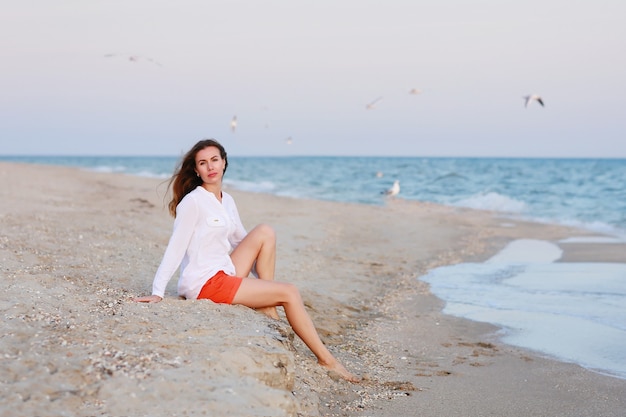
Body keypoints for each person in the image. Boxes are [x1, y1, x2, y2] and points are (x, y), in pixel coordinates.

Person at [134, 139, 359, 383]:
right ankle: (327, 360)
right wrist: (158, 290)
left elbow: (243, 242)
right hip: (205, 282)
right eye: (202, 163)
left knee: (265, 231)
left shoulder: (226, 200)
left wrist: (263, 288)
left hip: (225, 270)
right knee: (290, 292)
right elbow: (176, 247)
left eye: (214, 160)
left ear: (224, 162)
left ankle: (267, 306)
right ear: (196, 170)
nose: (210, 166)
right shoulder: (193, 202)